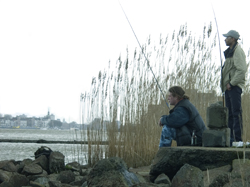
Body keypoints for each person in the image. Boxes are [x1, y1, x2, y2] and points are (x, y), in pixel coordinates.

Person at [221, 30, 247, 145]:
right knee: (230, 114)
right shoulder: (230, 52)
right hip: (228, 88)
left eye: (227, 37)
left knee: (236, 113)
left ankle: (238, 139)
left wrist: (231, 83)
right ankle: (231, 139)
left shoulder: (238, 51)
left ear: (233, 39)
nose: (225, 39)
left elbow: (242, 70)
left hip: (234, 87)